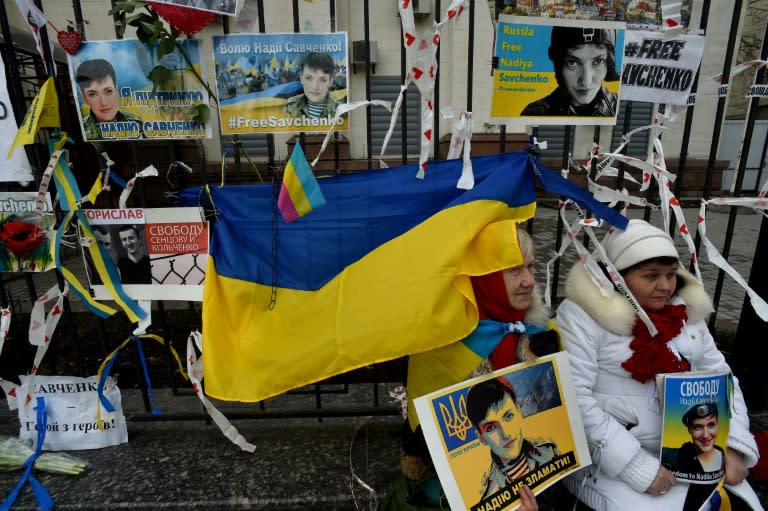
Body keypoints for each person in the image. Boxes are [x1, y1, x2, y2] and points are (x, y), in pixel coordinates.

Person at [555, 219, 763, 510]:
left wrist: (731, 446)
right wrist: (637, 467)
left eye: (670, 274)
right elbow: (573, 398)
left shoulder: (684, 312)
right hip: (611, 464)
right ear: (618, 277)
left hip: (695, 450)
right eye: (650, 276)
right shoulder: (582, 316)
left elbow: (722, 378)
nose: (665, 286)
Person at [380, 227, 561, 511]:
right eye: (514, 270)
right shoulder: (444, 339)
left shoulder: (542, 333)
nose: (529, 280)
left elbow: (554, 429)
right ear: (483, 276)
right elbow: (433, 445)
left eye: (530, 267)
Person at [467, 377, 559, 503]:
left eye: (509, 416)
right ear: (482, 438)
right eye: (491, 427)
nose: (506, 433)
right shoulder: (490, 498)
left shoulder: (551, 451)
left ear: (519, 412)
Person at [520, 26, 619, 117]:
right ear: (559, 66)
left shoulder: (617, 107)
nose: (586, 81)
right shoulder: (535, 113)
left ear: (609, 64)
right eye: (572, 63)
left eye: (598, 61)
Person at [75, 59, 142, 140]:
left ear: (117, 92)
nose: (104, 102)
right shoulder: (80, 131)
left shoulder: (136, 122)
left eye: (108, 91)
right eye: (92, 94)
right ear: (85, 98)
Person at [661, 402, 725, 478]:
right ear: (689, 429)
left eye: (711, 425)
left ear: (718, 424)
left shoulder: (722, 453)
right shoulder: (679, 458)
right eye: (698, 427)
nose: (705, 435)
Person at [283, 52, 342, 118]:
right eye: (309, 78)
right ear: (301, 78)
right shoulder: (291, 106)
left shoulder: (341, 110)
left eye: (322, 80)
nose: (315, 87)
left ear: (331, 82)